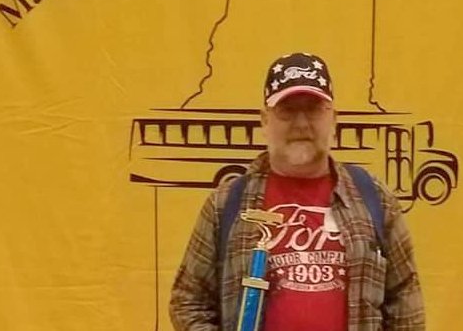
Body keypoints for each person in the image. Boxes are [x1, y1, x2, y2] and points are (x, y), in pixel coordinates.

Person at [169, 52, 425, 330]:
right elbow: (188, 301)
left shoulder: (375, 198)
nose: (301, 124)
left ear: (334, 119)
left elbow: (405, 303)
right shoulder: (226, 204)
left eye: (313, 109)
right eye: (287, 110)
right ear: (264, 121)